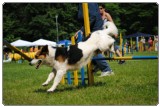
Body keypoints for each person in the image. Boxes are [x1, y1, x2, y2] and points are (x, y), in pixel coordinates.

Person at [75, 3, 114, 77]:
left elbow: (92, 17)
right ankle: (98, 65)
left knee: (91, 49)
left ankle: (106, 69)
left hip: (95, 28)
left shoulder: (90, 3)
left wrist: (82, 30)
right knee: (84, 48)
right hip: (89, 28)